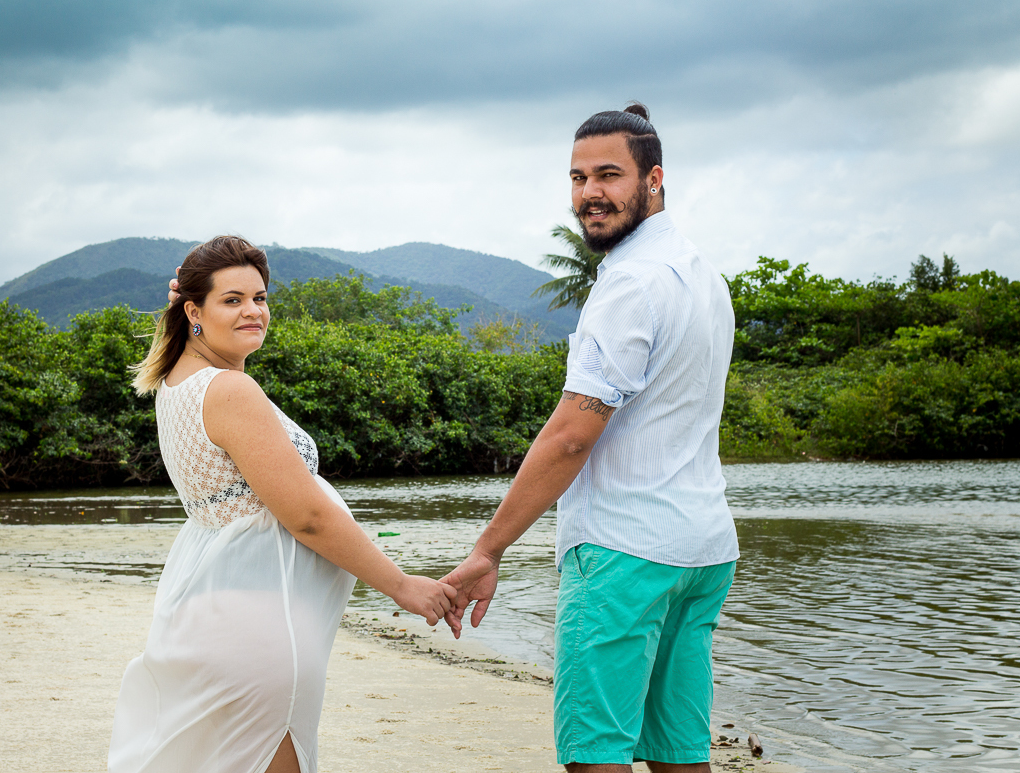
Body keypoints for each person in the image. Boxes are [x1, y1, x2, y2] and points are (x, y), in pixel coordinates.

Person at [442, 103, 739, 773]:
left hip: (625, 551)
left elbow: (572, 435)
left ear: (654, 179)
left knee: (596, 752)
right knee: (678, 750)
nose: (589, 194)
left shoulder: (630, 282)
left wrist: (488, 549)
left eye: (609, 175)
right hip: (702, 548)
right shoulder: (702, 275)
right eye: (578, 178)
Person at [109, 235, 455, 773]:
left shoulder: (179, 381)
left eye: (260, 297)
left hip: (213, 609)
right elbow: (310, 518)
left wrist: (201, 297)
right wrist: (403, 585)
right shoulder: (228, 391)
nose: (253, 311)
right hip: (260, 626)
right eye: (233, 300)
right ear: (193, 311)